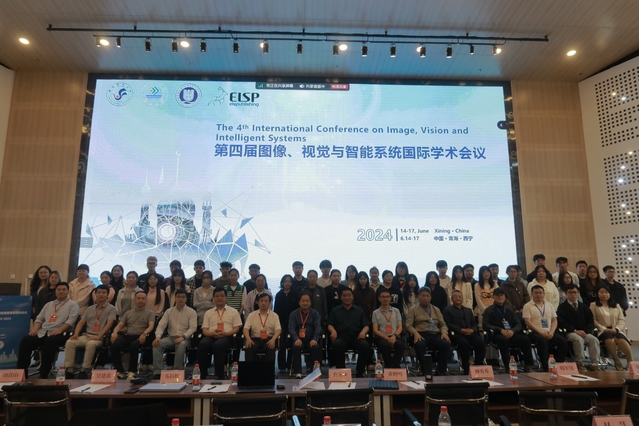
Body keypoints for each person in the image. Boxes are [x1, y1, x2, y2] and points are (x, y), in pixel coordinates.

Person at [17, 282, 79, 378]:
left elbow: (71, 321)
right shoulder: (49, 304)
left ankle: (44, 372)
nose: (61, 291)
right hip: (44, 331)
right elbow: (39, 319)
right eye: (59, 289)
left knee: (49, 342)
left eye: (63, 289)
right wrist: (35, 330)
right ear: (55, 291)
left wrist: (60, 330)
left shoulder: (73, 305)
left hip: (62, 333)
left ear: (68, 291)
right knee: (26, 341)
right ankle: (21, 372)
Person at [64, 285, 116, 379]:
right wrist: (76, 334)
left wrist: (99, 336)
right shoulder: (90, 308)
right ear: (95, 294)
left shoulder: (111, 308)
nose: (101, 295)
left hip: (101, 337)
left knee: (91, 344)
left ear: (107, 295)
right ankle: (69, 369)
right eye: (98, 293)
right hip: (87, 335)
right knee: (70, 342)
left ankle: (85, 369)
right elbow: (81, 322)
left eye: (103, 293)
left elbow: (109, 324)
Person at [482, 287, 534, 372]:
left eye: (502, 295)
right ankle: (507, 366)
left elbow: (518, 324)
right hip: (497, 334)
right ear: (494, 297)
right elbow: (485, 325)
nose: (500, 297)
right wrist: (500, 330)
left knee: (525, 339)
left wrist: (513, 331)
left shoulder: (510, 309)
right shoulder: (489, 310)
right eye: (498, 295)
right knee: (503, 341)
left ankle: (528, 365)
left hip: (511, 332)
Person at [197, 287, 242, 380]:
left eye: (222, 296)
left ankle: (219, 376)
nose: (219, 298)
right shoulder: (208, 312)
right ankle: (202, 375)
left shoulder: (233, 311)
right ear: (213, 298)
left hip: (227, 336)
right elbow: (204, 329)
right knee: (202, 344)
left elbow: (236, 328)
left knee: (218, 345)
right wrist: (212, 333)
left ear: (226, 298)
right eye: (217, 296)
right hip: (212, 335)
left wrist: (226, 333)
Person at [405, 287, 451, 376]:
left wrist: (444, 332)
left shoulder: (436, 309)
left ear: (430, 297)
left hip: (435, 334)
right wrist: (415, 333)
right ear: (419, 297)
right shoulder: (413, 309)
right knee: (419, 345)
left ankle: (441, 370)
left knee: (446, 344)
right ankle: (425, 371)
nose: (425, 298)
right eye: (423, 296)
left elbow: (443, 324)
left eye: (427, 296)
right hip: (420, 334)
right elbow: (408, 325)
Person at [152, 289, 197, 378]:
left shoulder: (191, 312)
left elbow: (193, 328)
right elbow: (161, 325)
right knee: (157, 344)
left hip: (185, 338)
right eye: (178, 297)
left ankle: (178, 371)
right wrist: (158, 337)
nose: (180, 299)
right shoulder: (169, 311)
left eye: (183, 297)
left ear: (186, 299)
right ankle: (158, 372)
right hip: (171, 338)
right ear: (175, 298)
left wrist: (183, 337)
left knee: (181, 344)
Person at [110, 291, 155, 379]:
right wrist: (114, 333)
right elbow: (120, 325)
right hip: (129, 336)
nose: (140, 300)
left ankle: (132, 371)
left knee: (134, 346)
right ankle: (119, 370)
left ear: (146, 300)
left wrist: (144, 334)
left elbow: (151, 326)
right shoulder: (128, 313)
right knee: (114, 346)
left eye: (143, 299)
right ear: (134, 300)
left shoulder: (150, 313)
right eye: (138, 298)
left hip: (141, 337)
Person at [556, 284, 600, 372]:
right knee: (578, 339)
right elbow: (562, 322)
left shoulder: (584, 307)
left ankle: (595, 364)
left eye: (575, 292)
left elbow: (590, 321)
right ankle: (580, 363)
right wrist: (575, 330)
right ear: (565, 293)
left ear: (578, 293)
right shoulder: (562, 307)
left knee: (593, 339)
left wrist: (586, 331)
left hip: (584, 332)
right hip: (570, 332)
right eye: (570, 292)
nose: (573, 294)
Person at [523, 285, 567, 371]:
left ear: (544, 294)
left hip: (549, 331)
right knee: (542, 340)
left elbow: (554, 320)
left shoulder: (549, 305)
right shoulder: (527, 306)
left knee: (563, 341)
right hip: (534, 332)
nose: (538, 295)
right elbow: (527, 321)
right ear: (532, 294)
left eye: (540, 293)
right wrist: (540, 332)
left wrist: (551, 332)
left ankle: (559, 364)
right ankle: (546, 366)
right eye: (536, 293)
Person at [327, 288, 370, 377]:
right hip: (341, 337)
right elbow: (330, 324)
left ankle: (360, 372)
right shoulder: (335, 310)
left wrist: (363, 332)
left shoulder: (359, 310)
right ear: (341, 297)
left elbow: (366, 325)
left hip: (356, 337)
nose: (347, 298)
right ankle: (342, 372)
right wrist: (333, 331)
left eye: (349, 295)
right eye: (344, 296)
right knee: (336, 344)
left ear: (352, 297)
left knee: (365, 345)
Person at [590, 285, 633, 370]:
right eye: (601, 292)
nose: (604, 294)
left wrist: (616, 328)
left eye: (606, 292)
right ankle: (616, 360)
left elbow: (621, 319)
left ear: (609, 294)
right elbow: (593, 320)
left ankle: (630, 361)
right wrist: (604, 329)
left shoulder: (616, 305)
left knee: (621, 339)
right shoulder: (593, 305)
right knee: (610, 340)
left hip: (616, 329)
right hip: (602, 331)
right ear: (597, 294)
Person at [443, 290, 486, 374]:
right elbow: (448, 323)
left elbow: (474, 323)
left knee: (480, 343)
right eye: (455, 297)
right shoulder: (447, 310)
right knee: (464, 344)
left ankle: (478, 366)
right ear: (452, 299)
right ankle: (466, 367)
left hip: (470, 333)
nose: (458, 298)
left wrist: (473, 330)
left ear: (462, 299)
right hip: (457, 334)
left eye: (460, 297)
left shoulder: (468, 310)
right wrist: (460, 330)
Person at [288, 293, 322, 378]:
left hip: (311, 338)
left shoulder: (315, 313)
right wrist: (296, 338)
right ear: (299, 302)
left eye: (307, 301)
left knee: (315, 347)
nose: (305, 303)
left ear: (310, 302)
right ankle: (298, 372)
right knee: (296, 347)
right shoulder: (293, 314)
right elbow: (291, 328)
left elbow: (318, 327)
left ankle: (313, 371)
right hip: (298, 339)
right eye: (303, 301)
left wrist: (315, 339)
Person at [371, 288, 404, 369]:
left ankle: (392, 366)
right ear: (379, 298)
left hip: (394, 336)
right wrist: (387, 338)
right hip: (382, 337)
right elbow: (375, 330)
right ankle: (392, 367)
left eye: (387, 297)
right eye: (383, 297)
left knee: (400, 345)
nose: (385, 299)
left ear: (390, 298)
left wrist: (394, 336)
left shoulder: (396, 311)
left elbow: (400, 327)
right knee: (384, 345)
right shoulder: (375, 313)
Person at [244, 293, 282, 362]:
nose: (263, 303)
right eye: (261, 301)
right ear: (257, 302)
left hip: (269, 339)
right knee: (249, 347)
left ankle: (269, 369)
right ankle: (250, 368)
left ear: (269, 303)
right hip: (255, 339)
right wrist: (248, 339)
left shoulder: (274, 316)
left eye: (266, 301)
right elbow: (246, 328)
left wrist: (273, 339)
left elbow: (278, 329)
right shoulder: (252, 315)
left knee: (270, 347)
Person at [274, 274, 299, 372]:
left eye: (289, 281)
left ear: (292, 283)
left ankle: (290, 365)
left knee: (292, 344)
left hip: (293, 323)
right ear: (282, 283)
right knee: (282, 344)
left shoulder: (295, 295)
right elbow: (276, 310)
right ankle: (282, 366)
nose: (287, 283)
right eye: (285, 281)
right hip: (281, 323)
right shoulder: (279, 295)